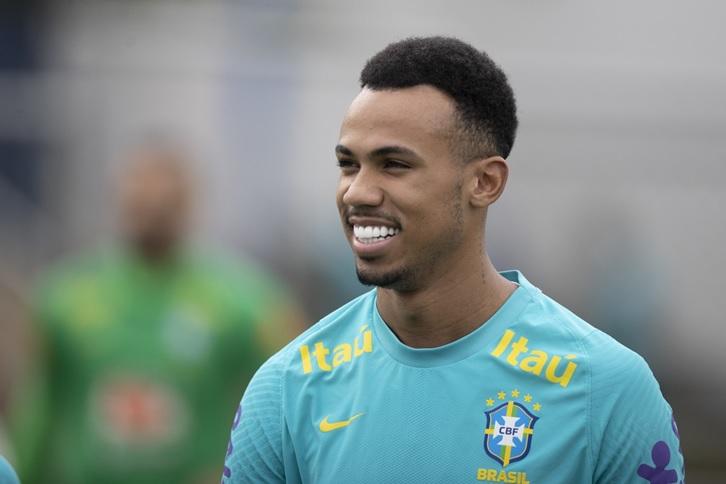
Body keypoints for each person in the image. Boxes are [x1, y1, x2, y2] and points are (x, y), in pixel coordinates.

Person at [222, 37, 684, 483]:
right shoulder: (286, 387)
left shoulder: (604, 389)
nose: (358, 191)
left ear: (485, 183)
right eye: (348, 164)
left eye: (394, 164)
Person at [9, 143, 304, 484]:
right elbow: (36, 411)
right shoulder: (64, 298)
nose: (151, 207)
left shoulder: (244, 302)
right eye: (140, 195)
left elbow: (288, 403)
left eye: (163, 198)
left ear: (188, 203)